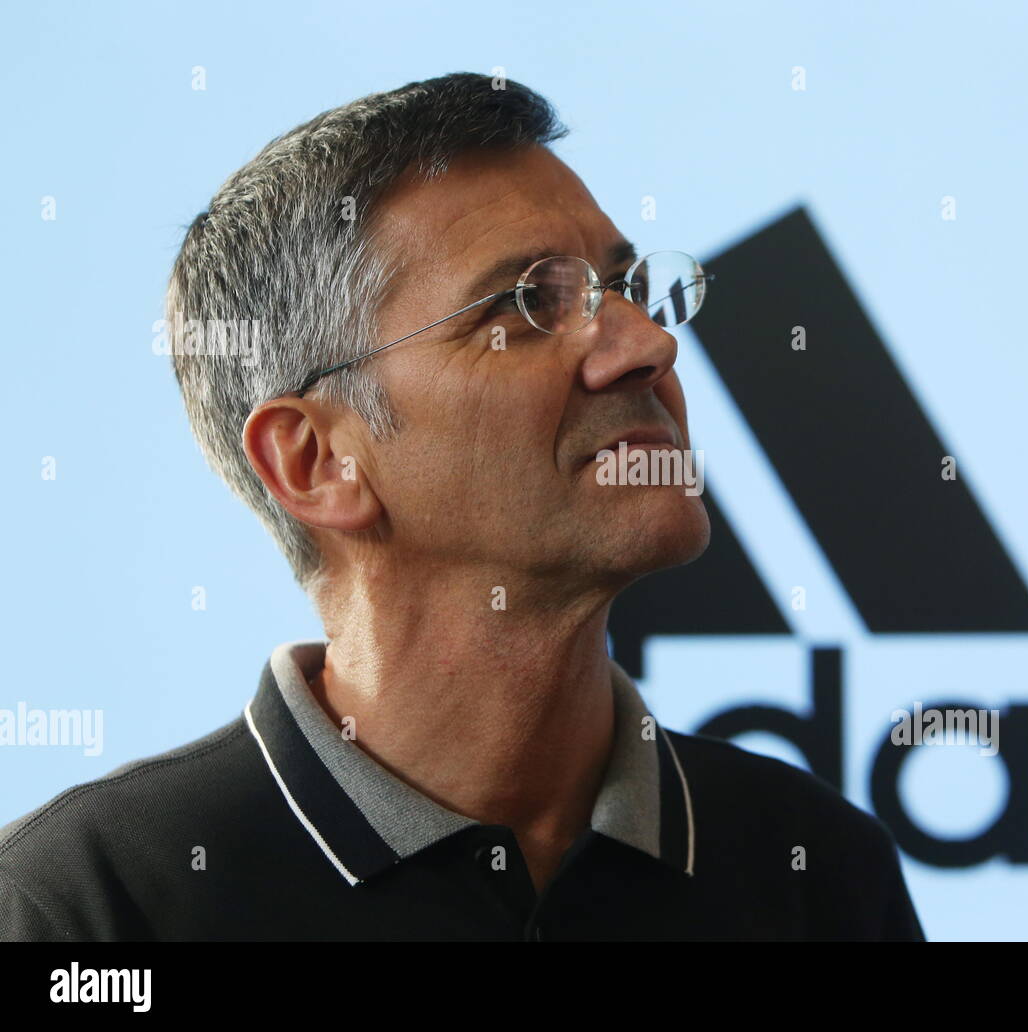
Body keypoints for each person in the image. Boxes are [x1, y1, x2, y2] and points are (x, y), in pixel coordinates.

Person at [0, 72, 924, 941]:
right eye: (527, 305)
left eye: (629, 288)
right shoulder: (86, 901)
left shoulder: (816, 873)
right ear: (315, 460)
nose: (646, 346)